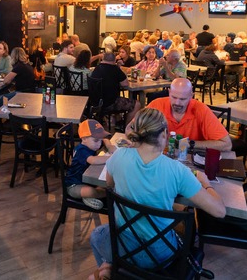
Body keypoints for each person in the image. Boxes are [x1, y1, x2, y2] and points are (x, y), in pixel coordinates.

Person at [89, 108, 226, 280]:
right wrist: (206, 183)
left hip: (124, 246)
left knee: (96, 236)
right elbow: (220, 211)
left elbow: (110, 185)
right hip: (160, 256)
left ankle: (112, 269)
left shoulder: (118, 156)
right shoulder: (177, 170)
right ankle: (113, 270)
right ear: (163, 134)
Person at [140, 78, 232, 151]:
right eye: (174, 97)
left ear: (191, 96)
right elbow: (131, 128)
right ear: (169, 92)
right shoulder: (157, 104)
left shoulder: (201, 110)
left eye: (183, 99)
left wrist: (189, 143)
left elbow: (226, 144)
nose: (177, 103)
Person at [65, 119, 116, 209]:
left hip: (88, 181)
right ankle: (100, 194)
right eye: (96, 140)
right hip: (74, 185)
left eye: (100, 140)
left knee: (108, 183)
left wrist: (108, 145)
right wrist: (111, 158)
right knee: (91, 191)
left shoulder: (91, 144)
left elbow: (105, 139)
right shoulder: (81, 150)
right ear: (84, 139)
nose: (99, 144)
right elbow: (93, 160)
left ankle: (92, 196)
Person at [90, 51, 141, 123]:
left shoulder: (97, 68)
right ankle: (127, 128)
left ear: (103, 59)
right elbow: (125, 84)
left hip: (95, 102)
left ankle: (116, 120)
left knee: (118, 98)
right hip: (109, 103)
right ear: (114, 60)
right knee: (137, 104)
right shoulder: (114, 69)